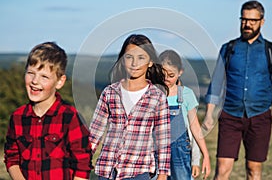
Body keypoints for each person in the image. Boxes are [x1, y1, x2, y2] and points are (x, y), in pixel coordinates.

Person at [205, 0, 272, 180]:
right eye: (244, 20)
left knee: (254, 170)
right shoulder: (228, 49)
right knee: (222, 169)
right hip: (230, 115)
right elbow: (216, 82)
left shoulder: (271, 50)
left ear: (262, 21)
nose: (247, 24)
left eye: (252, 21)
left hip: (260, 117)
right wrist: (208, 115)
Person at [4, 42, 92, 180]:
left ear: (60, 82)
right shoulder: (17, 117)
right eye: (31, 73)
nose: (35, 81)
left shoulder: (70, 117)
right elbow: (12, 158)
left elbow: (82, 165)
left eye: (44, 77)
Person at [89, 34, 171, 180]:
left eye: (141, 58)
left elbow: (162, 138)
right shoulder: (110, 93)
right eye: (129, 57)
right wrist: (82, 163)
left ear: (150, 62)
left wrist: (163, 174)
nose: (134, 63)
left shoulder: (157, 97)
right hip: (107, 170)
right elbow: (95, 133)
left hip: (138, 171)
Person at [158, 50, 211, 180]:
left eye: (171, 75)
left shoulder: (186, 95)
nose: (166, 79)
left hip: (180, 155)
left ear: (180, 72)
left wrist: (203, 157)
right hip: (156, 153)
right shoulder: (154, 93)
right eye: (162, 75)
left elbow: (195, 129)